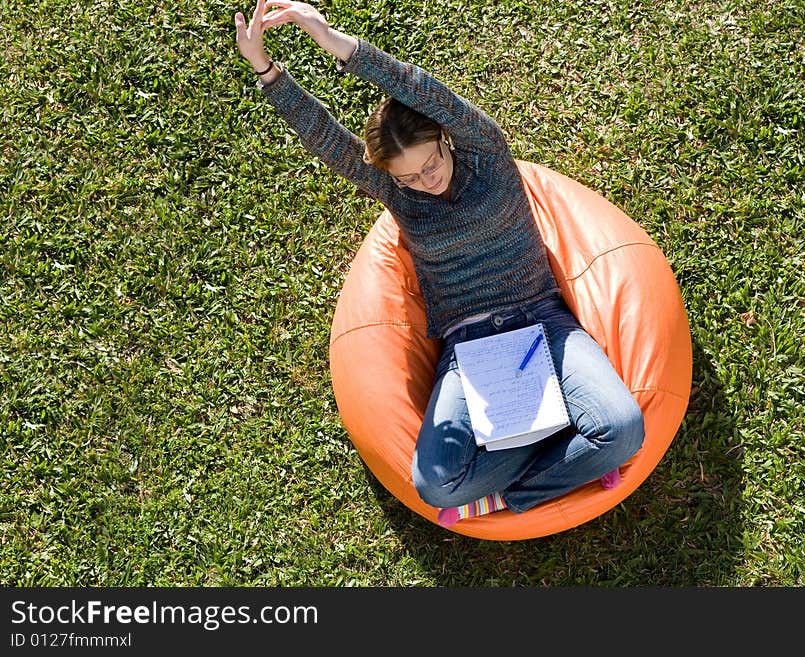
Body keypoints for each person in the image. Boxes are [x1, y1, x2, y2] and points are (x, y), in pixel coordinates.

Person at [234, 1, 645, 527]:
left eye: (431, 163)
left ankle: (516, 489)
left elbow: (419, 87)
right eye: (410, 177)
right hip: (470, 347)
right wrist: (267, 71)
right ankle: (566, 449)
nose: (426, 180)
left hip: (543, 324)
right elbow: (324, 138)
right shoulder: (397, 193)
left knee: (624, 428)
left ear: (446, 139)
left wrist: (332, 39)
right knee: (435, 483)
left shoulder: (488, 152)